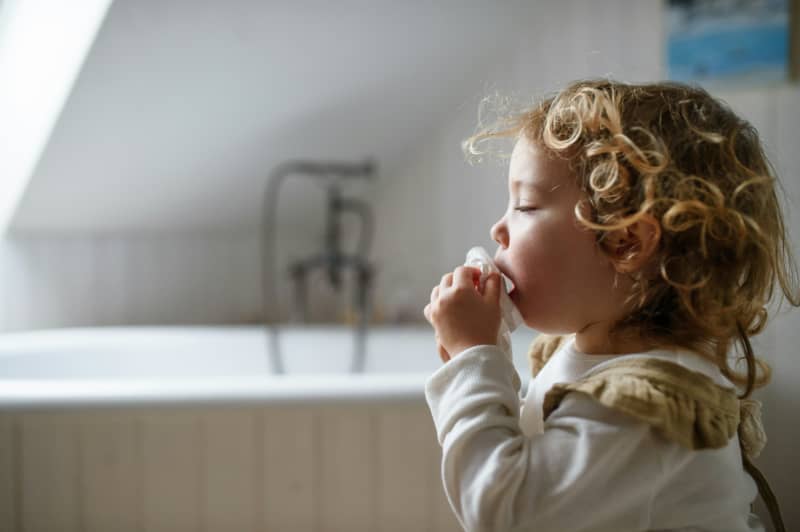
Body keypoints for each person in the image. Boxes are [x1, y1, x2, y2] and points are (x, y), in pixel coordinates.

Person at [422, 79, 799, 532]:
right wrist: (484, 350)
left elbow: (502, 509)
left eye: (524, 205)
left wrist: (472, 357)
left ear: (624, 242)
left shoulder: (644, 410)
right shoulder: (596, 358)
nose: (498, 228)